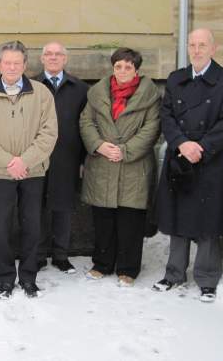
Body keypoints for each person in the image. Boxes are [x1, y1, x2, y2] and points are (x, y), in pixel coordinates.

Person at [153, 28, 223, 302]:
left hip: (209, 159)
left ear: (214, 49)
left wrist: (201, 147)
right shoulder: (177, 78)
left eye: (203, 45)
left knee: (207, 221)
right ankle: (174, 273)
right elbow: (166, 116)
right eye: (192, 45)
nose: (197, 50)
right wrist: (181, 143)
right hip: (181, 158)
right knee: (177, 218)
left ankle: (206, 278)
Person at [0, 41, 58, 299]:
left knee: (32, 226)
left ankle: (28, 277)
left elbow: (49, 133)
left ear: (24, 65)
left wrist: (25, 161)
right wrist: (9, 161)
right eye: (6, 62)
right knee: (1, 228)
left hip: (33, 171)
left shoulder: (41, 93)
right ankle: (6, 279)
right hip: (0, 172)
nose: (11, 67)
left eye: (16, 63)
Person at [80, 48, 161, 287]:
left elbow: (151, 128)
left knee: (130, 221)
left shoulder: (150, 96)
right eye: (118, 66)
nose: (122, 71)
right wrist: (99, 145)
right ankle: (102, 264)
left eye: (128, 67)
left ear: (136, 70)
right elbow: (86, 121)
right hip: (102, 162)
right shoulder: (97, 93)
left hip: (133, 166)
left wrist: (123, 151)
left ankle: (128, 268)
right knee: (103, 219)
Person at [33, 42, 88, 274]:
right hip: (35, 156)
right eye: (48, 54)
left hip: (67, 156)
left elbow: (86, 125)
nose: (53, 58)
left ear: (65, 59)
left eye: (58, 54)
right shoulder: (31, 85)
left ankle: (61, 255)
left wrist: (84, 159)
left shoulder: (80, 88)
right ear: (42, 58)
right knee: (35, 207)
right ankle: (37, 254)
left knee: (63, 208)